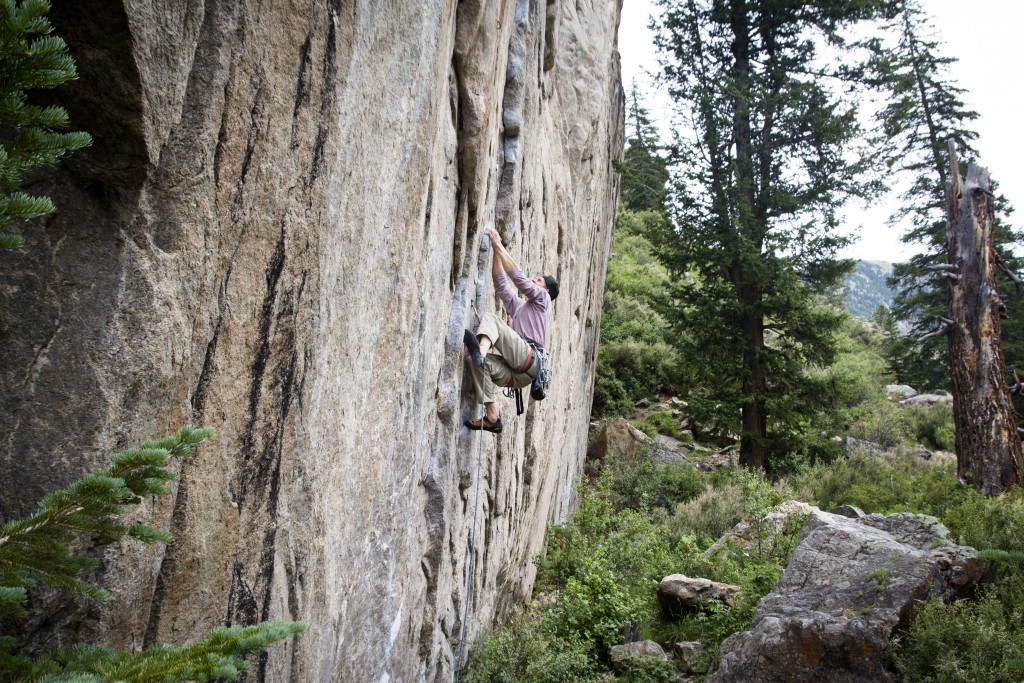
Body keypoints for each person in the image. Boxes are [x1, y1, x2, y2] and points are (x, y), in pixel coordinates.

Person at [463, 227, 559, 434]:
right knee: (479, 365)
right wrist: (497, 253)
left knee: (491, 319)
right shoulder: (521, 308)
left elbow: (520, 281)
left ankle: (480, 351)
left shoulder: (544, 300)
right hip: (520, 376)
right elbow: (502, 287)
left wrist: (499, 245)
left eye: (539, 280)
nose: (535, 280)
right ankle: (492, 417)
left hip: (528, 358)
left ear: (547, 289)